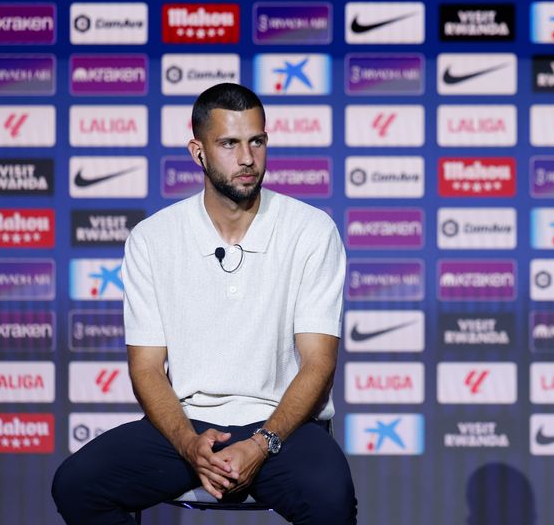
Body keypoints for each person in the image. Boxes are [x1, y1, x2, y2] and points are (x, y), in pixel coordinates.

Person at [52, 83, 357, 524]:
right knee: (77, 485)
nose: (248, 158)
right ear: (198, 152)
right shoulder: (152, 239)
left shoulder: (311, 230)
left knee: (331, 499)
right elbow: (147, 368)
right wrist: (187, 444)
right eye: (229, 143)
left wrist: (261, 443)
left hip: (281, 431)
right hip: (187, 425)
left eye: (257, 141)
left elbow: (318, 363)